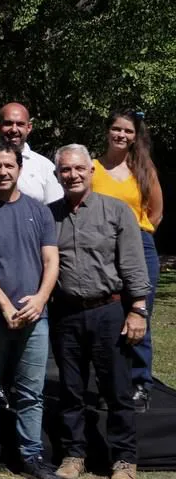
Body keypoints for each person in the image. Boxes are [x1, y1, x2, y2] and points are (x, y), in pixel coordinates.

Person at [48, 145, 149, 479]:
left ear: (91, 171)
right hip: (66, 314)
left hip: (109, 310)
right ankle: (74, 454)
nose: (72, 175)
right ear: (57, 175)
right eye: (65, 170)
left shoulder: (117, 212)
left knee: (117, 390)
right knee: (71, 390)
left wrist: (138, 310)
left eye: (78, 169)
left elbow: (134, 264)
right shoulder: (50, 216)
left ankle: (124, 459)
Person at [0, 142, 62, 479]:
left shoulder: (40, 211)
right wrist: (4, 305)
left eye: (8, 165)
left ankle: (32, 455)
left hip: (35, 315)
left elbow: (51, 261)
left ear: (20, 168)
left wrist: (40, 299)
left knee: (31, 390)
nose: (2, 172)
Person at [92, 109, 164, 408]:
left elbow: (156, 212)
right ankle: (111, 383)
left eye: (128, 131)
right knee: (110, 319)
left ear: (135, 136)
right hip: (102, 251)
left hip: (139, 247)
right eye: (116, 129)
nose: (121, 135)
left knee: (139, 313)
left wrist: (137, 240)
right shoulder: (92, 168)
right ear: (107, 131)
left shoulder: (143, 170)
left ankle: (140, 382)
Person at [0, 103, 62, 203]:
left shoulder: (45, 166)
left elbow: (54, 210)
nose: (14, 129)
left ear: (29, 127)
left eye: (20, 124)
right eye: (8, 123)